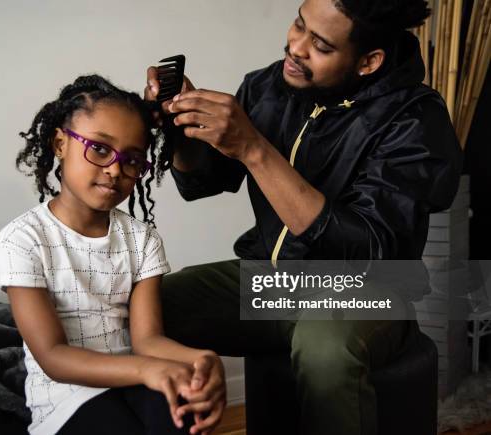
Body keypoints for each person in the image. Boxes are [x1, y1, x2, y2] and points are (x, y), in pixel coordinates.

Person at [144, 0, 463, 433]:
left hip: (367, 292)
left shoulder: (415, 119)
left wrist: (255, 149)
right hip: (274, 280)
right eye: (299, 24)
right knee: (147, 307)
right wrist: (177, 126)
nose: (295, 47)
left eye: (321, 44)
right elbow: (203, 182)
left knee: (324, 350)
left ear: (368, 61)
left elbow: (369, 250)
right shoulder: (266, 87)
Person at [0, 75, 226, 435]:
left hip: (133, 382)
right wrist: (146, 369)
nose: (115, 169)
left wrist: (201, 360)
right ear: (60, 144)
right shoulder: (22, 240)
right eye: (99, 149)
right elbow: (53, 357)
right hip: (66, 396)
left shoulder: (141, 240)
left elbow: (147, 340)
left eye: (132, 160)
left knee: (183, 417)